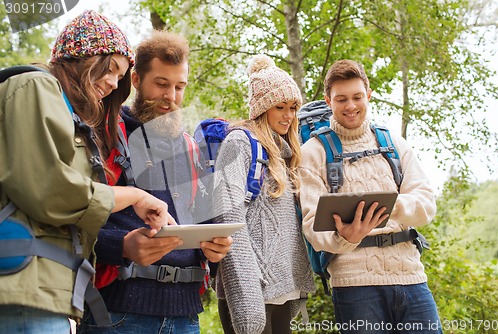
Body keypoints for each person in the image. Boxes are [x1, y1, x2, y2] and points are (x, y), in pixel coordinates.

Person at [0, 10, 174, 334]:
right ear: (82, 55)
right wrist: (134, 195)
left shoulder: (68, 112)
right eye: (110, 69)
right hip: (23, 288)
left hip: (49, 293)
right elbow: (49, 189)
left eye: (120, 77)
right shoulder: (34, 86)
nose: (112, 84)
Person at [77, 30, 233, 334]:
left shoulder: (190, 147)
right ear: (135, 80)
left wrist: (214, 249)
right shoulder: (103, 134)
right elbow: (71, 212)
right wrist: (118, 246)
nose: (171, 97)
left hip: (186, 316)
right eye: (161, 84)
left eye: (179, 87)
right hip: (115, 313)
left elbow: (204, 222)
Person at [298, 59, 442, 333]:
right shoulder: (312, 152)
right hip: (354, 285)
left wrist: (392, 206)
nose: (350, 106)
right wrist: (346, 236)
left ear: (368, 94)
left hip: (411, 277)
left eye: (357, 97)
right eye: (341, 99)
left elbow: (426, 202)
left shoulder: (394, 144)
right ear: (329, 100)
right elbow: (312, 225)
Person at [213, 54, 315, 334]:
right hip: (250, 290)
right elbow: (228, 215)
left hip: (282, 290)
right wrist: (246, 292)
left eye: (293, 107)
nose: (289, 115)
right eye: (279, 106)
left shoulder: (286, 154)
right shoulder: (239, 143)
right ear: (261, 108)